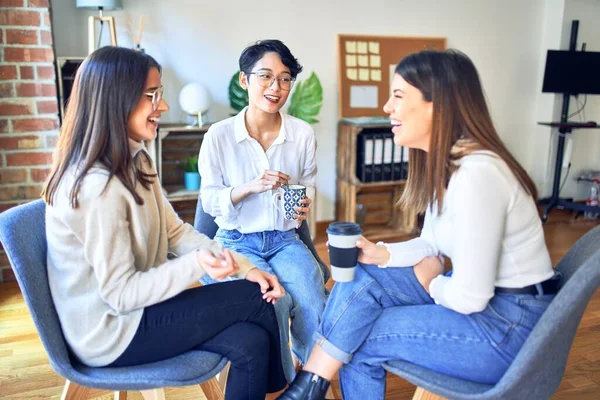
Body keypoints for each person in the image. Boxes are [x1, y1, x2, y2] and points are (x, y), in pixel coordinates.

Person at [278, 49, 559, 400]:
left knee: (361, 338)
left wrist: (433, 283)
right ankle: (311, 385)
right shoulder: (453, 165)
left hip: (506, 327)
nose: (386, 108)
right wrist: (380, 253)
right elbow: (432, 244)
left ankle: (308, 385)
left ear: (436, 105)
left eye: (398, 96)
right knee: (365, 275)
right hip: (497, 308)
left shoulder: (478, 175)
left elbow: (470, 297)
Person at [41, 46, 287, 400]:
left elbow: (174, 232)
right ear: (116, 99)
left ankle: (287, 393)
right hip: (110, 333)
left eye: (161, 94)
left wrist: (245, 266)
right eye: (151, 95)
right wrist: (198, 265)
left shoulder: (135, 159)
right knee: (256, 299)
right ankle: (293, 394)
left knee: (251, 341)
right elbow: (121, 294)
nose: (164, 106)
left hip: (138, 313)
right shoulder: (98, 188)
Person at [198, 39, 328, 382]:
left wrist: (301, 200)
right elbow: (209, 199)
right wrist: (250, 187)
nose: (276, 87)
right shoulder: (219, 136)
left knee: (314, 301)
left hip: (285, 239)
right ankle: (280, 383)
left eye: (285, 79)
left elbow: (308, 185)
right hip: (235, 241)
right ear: (245, 80)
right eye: (266, 77)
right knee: (273, 304)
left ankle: (312, 379)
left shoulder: (301, 134)